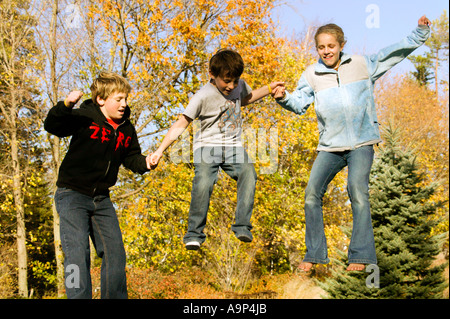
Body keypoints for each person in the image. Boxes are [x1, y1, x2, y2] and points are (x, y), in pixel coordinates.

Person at [273, 16, 431, 271]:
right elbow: (299, 103)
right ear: (318, 49)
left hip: (361, 143)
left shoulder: (360, 64)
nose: (327, 51)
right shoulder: (311, 74)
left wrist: (420, 33)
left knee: (357, 191)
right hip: (330, 147)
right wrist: (283, 97)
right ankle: (314, 255)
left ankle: (361, 256)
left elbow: (394, 53)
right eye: (322, 47)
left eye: (331, 46)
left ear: (341, 45)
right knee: (311, 194)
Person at [150, 49, 284, 250]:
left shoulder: (238, 87)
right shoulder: (202, 96)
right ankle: (194, 234)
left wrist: (269, 88)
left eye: (235, 81)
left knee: (249, 172)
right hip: (206, 147)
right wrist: (160, 150)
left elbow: (245, 98)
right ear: (212, 74)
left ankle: (242, 226)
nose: (231, 86)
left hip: (233, 146)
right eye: (226, 81)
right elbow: (182, 122)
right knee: (204, 182)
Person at [44, 71, 155, 298]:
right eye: (118, 100)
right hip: (72, 194)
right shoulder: (86, 116)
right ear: (101, 100)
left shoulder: (126, 129)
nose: (124, 104)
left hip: (102, 199)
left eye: (126, 99)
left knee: (115, 252)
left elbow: (131, 158)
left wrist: (146, 162)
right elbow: (53, 125)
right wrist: (65, 105)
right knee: (77, 252)